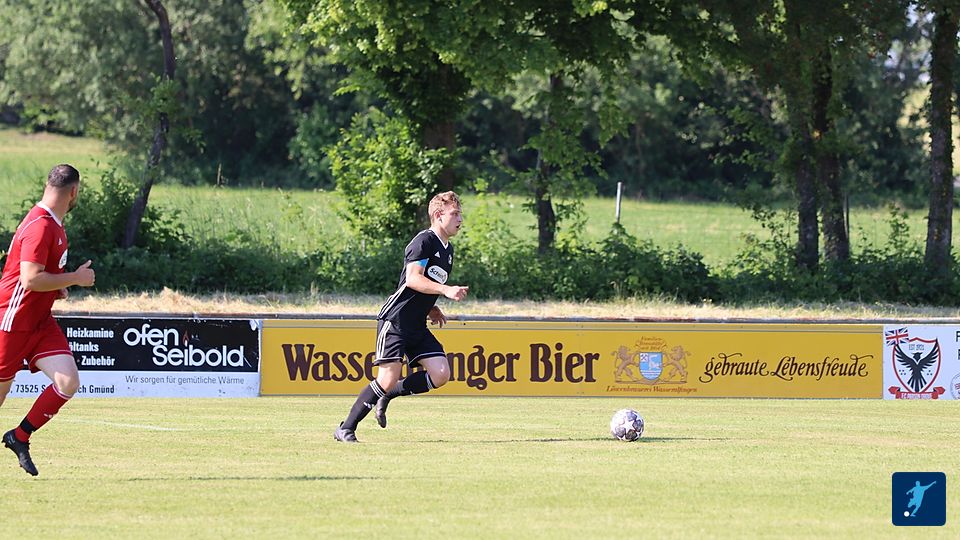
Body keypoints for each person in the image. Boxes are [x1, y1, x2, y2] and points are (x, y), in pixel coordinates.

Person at [334, 191, 469, 443]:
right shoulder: (423, 241)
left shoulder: (447, 250)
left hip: (416, 324)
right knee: (386, 378)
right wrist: (445, 290)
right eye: (455, 214)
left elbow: (425, 284)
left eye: (460, 214)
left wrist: (431, 307)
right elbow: (413, 279)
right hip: (395, 320)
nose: (460, 219)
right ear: (438, 215)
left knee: (441, 374)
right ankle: (346, 428)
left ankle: (388, 394)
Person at [0, 164, 96, 476]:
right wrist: (76, 278)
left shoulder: (53, 224)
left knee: (68, 382)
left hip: (39, 322)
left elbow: (39, 276)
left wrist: (57, 287)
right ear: (74, 192)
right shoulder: (41, 226)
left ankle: (19, 436)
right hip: (13, 320)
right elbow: (29, 279)